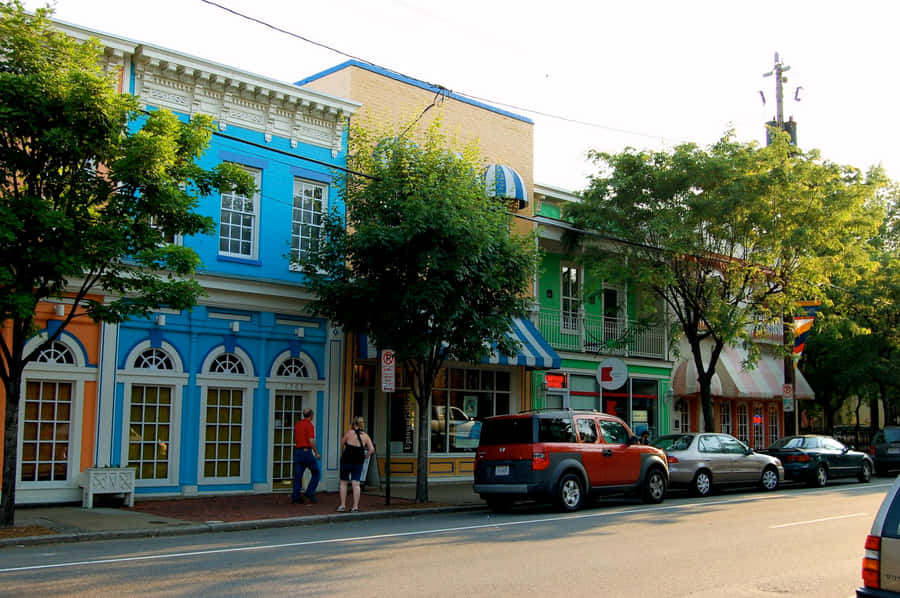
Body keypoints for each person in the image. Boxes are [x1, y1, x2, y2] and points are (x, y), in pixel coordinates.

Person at [337, 416, 375, 513]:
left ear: (353, 424)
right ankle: (355, 506)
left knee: (343, 482)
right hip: (358, 461)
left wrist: (343, 452)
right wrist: (365, 456)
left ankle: (342, 505)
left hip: (346, 460)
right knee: (356, 483)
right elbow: (371, 449)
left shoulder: (349, 433)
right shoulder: (366, 436)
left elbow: (341, 444)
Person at [292, 408, 320, 504]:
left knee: (298, 475)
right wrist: (316, 452)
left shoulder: (298, 424)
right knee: (316, 472)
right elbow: (311, 440)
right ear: (311, 415)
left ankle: (295, 496)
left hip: (298, 451)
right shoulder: (309, 425)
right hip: (306, 451)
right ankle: (309, 492)